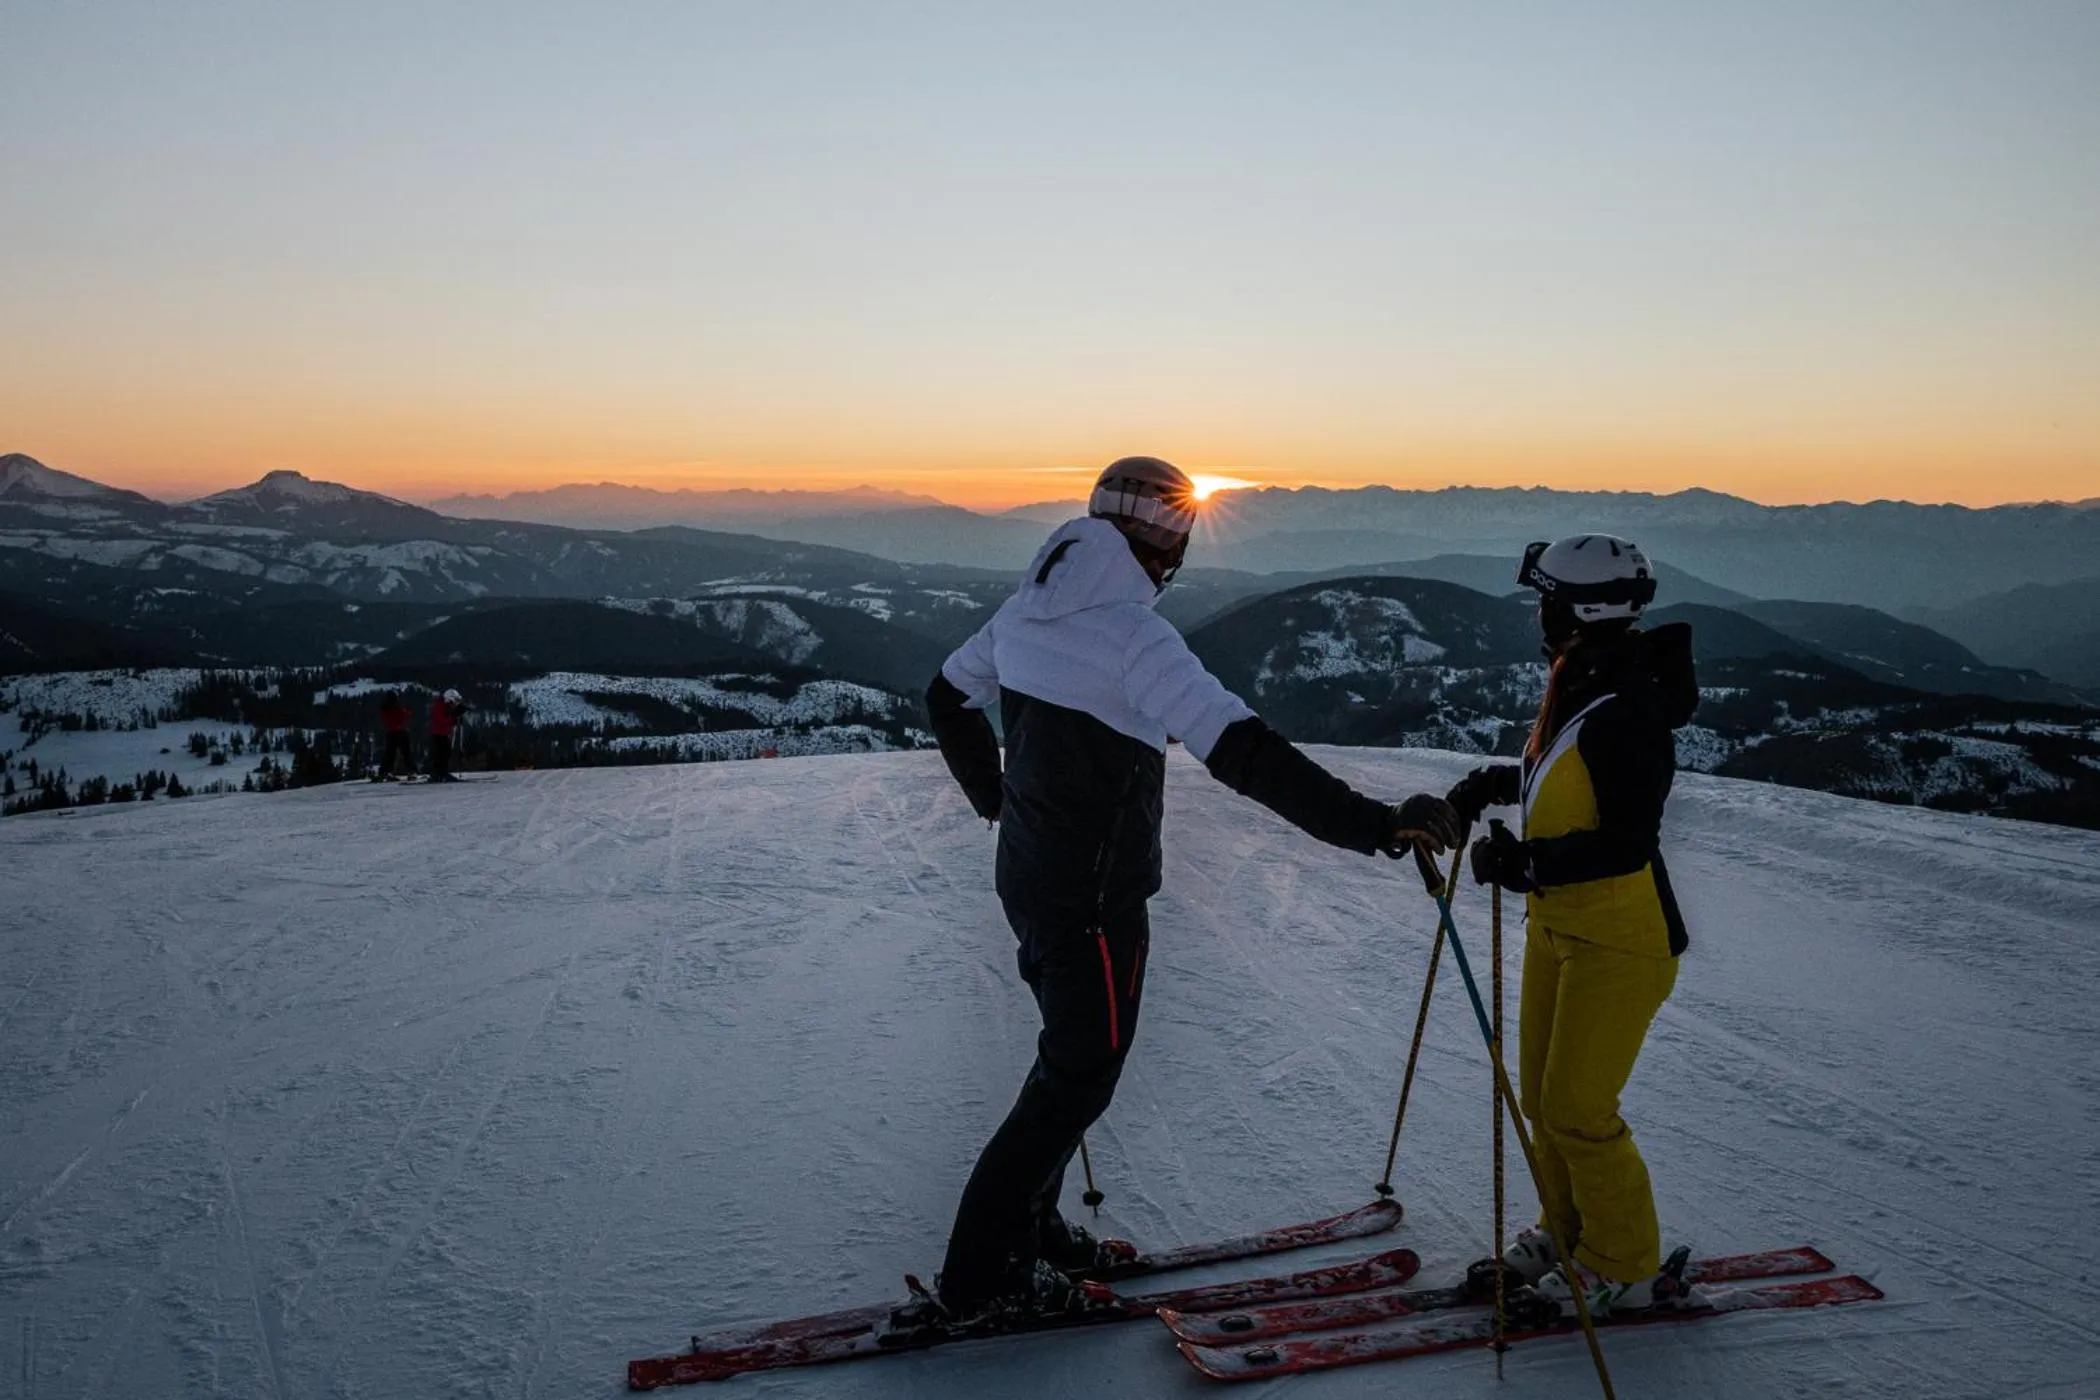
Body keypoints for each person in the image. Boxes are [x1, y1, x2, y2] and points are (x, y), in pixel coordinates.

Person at [915, 456, 1462, 1327]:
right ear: (1165, 541)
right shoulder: (1134, 636)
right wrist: (1373, 824)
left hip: (1029, 877)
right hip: (1094, 902)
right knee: (1079, 1075)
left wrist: (999, 800)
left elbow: (946, 697)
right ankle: (982, 1275)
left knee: (1069, 1058)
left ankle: (1035, 1229)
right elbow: (1245, 753)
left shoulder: (1029, 605)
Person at [1445, 534, 1698, 1318]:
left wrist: (1527, 865)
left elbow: (1626, 840)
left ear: (1580, 609)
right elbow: (1557, 772)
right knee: (1542, 1101)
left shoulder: (1630, 708)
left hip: (1620, 943)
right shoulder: (1588, 679)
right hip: (1560, 930)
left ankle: (1623, 1263)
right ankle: (1569, 1230)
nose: (1539, 614)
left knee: (1580, 1110)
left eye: (1547, 600)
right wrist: (1483, 786)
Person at [428, 688, 465, 782]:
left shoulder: (445, 705)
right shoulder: (439, 707)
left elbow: (450, 714)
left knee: (445, 753)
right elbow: (441, 720)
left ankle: (442, 773)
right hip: (438, 733)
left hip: (443, 733)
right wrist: (453, 719)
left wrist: (457, 713)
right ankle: (438, 774)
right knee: (440, 754)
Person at [375, 691, 413, 780]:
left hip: (390, 733)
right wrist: (408, 711)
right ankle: (411, 771)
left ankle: (385, 772)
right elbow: (404, 715)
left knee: (389, 753)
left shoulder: (384, 708)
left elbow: (385, 720)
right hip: (401, 732)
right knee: (406, 753)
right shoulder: (397, 707)